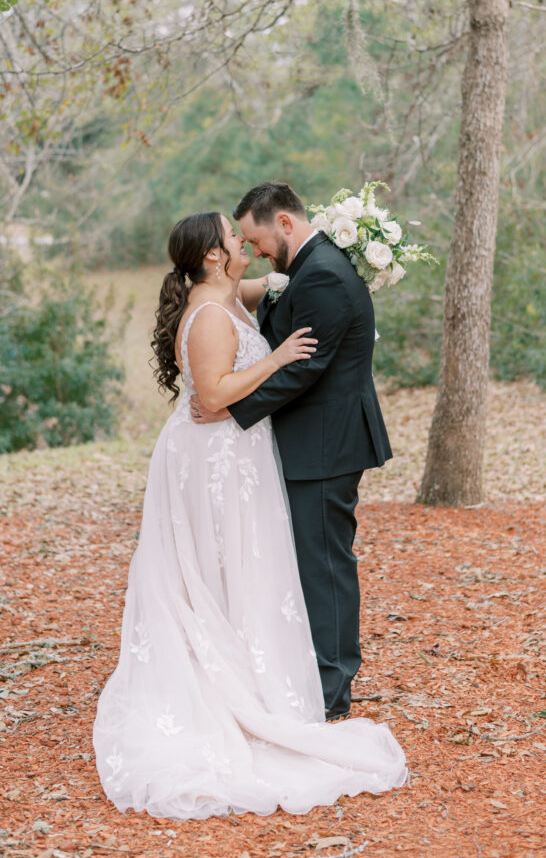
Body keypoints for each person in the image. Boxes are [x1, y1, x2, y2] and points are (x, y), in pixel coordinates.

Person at [92, 211, 405, 819]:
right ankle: (221, 690)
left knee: (240, 568)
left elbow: (285, 281)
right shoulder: (209, 314)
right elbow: (212, 396)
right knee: (215, 571)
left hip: (236, 455)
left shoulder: (230, 292)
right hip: (211, 457)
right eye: (236, 239)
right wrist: (280, 355)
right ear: (213, 256)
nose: (246, 246)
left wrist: (340, 251)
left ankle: (256, 674)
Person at [190, 183, 392, 721]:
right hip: (310, 441)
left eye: (256, 239)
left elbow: (304, 368)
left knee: (324, 567)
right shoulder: (304, 268)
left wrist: (231, 409)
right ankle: (312, 677)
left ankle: (330, 695)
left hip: (325, 444)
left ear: (283, 223)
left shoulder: (322, 272)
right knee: (309, 564)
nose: (254, 251)